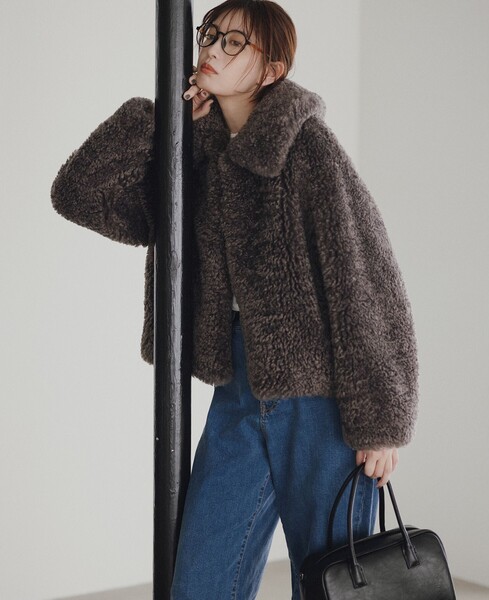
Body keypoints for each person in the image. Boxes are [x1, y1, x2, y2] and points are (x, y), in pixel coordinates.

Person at [50, 1, 419, 598]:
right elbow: (78, 194)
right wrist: (161, 118)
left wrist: (382, 423)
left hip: (322, 405)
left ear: (271, 69)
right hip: (238, 393)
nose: (211, 50)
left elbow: (367, 281)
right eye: (210, 35)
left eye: (234, 43)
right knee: (199, 583)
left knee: (331, 584)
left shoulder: (308, 149)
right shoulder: (194, 156)